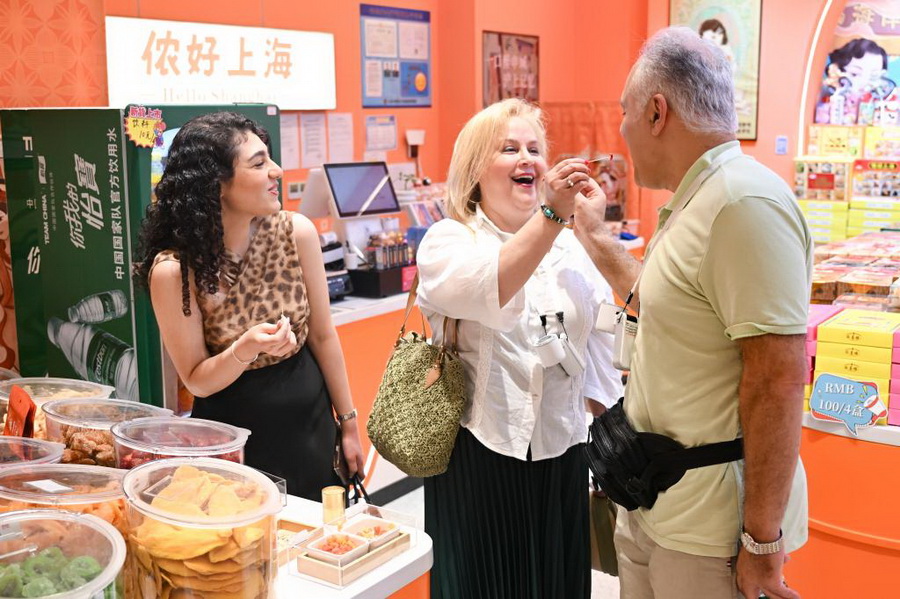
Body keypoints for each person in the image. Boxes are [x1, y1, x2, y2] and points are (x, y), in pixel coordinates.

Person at [572, 28, 811, 599]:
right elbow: (664, 303)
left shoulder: (741, 203)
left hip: (710, 530)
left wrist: (761, 541)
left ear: (657, 113)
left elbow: (777, 380)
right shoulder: (698, 199)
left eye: (625, 112)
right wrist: (594, 234)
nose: (621, 129)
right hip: (656, 501)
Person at [415, 98, 623, 598]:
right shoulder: (450, 241)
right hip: (478, 451)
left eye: (534, 148)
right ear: (475, 170)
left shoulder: (572, 246)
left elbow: (602, 338)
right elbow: (493, 288)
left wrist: (613, 435)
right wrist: (552, 216)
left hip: (562, 448)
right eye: (509, 149)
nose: (526, 158)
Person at [133, 111, 364, 500]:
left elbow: (323, 336)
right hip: (229, 440)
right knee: (238, 531)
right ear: (217, 183)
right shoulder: (175, 271)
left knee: (320, 529)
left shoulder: (295, 232)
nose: (276, 171)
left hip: (310, 428)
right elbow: (196, 378)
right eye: (258, 163)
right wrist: (246, 348)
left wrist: (349, 424)